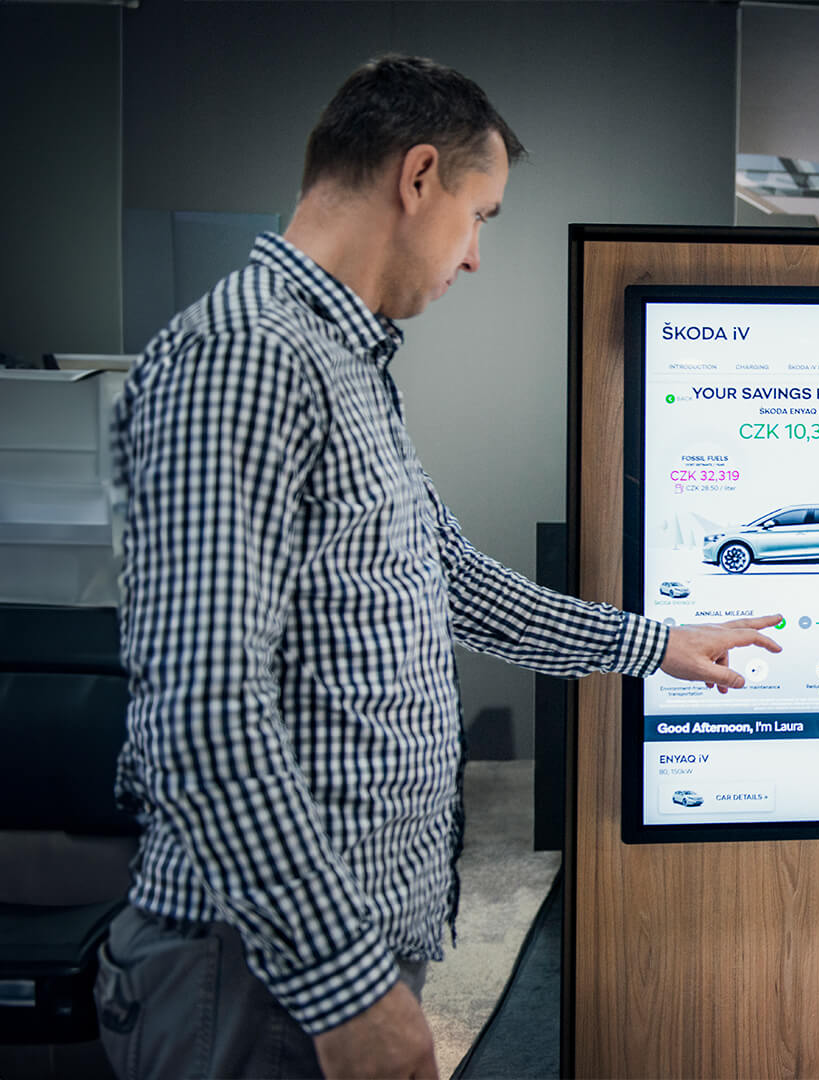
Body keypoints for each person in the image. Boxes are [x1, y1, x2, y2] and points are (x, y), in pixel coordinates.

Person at [94, 54, 778, 1079]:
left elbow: (454, 580)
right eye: (483, 216)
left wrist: (658, 644)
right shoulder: (245, 357)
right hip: (253, 975)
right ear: (418, 179)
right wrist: (346, 991)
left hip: (322, 960)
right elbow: (203, 714)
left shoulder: (342, 366)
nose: (473, 259)